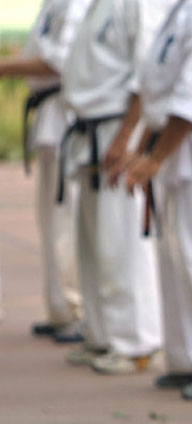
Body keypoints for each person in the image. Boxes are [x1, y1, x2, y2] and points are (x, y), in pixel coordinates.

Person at [108, 0, 192, 398]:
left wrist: (156, 156)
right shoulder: (183, 9)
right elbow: (159, 91)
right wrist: (149, 149)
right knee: (175, 257)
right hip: (173, 142)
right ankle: (187, 357)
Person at [60, 0, 164, 373]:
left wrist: (126, 137)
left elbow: (146, 74)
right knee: (94, 244)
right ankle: (102, 335)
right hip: (89, 131)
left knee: (121, 242)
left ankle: (136, 341)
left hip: (116, 129)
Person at [0, 0, 92, 344]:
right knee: (51, 219)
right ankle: (60, 309)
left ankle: (76, 310)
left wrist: (4, 67)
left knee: (65, 219)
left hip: (65, 109)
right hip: (49, 115)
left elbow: (58, 61)